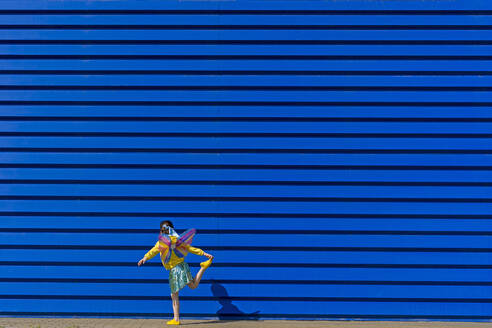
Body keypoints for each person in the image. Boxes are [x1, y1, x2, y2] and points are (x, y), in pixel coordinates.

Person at [137, 220, 213, 325]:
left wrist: (144, 258)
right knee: (192, 285)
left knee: (174, 295)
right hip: (183, 266)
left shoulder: (162, 242)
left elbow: (153, 251)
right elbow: (190, 248)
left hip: (175, 270)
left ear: (161, 230)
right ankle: (203, 267)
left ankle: (176, 319)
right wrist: (204, 253)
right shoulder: (178, 240)